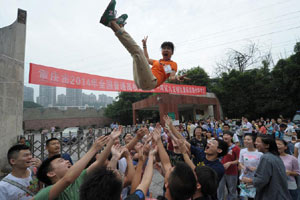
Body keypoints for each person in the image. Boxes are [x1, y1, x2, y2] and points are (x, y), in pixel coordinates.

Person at [99, 0, 188, 90]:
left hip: (151, 82)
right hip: (141, 80)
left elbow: (171, 76)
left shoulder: (171, 64)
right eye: (164, 48)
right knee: (137, 55)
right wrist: (145, 46)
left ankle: (112, 22)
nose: (165, 50)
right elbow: (145, 60)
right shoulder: (157, 62)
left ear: (172, 52)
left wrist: (176, 78)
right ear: (161, 51)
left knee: (137, 52)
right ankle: (119, 26)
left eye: (168, 48)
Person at [33, 127, 122, 200]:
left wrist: (111, 140)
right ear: (51, 173)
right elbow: (67, 180)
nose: (67, 161)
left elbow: (99, 162)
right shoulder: (46, 193)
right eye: (61, 161)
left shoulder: (77, 180)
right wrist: (93, 149)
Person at [242, 134, 292, 200]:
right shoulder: (275, 156)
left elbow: (262, 180)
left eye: (258, 141)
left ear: (267, 145)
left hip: (271, 195)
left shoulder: (266, 157)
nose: (255, 143)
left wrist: (249, 180)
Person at [217, 131, 240, 200]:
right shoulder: (220, 147)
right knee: (219, 189)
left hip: (232, 172)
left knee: (232, 190)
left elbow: (239, 160)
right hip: (220, 171)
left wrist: (230, 163)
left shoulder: (236, 148)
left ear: (231, 137)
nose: (225, 136)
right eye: (224, 135)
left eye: (227, 135)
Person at [238, 133, 263, 199]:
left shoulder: (260, 153)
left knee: (256, 195)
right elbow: (240, 162)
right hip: (245, 178)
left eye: (248, 139)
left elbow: (263, 167)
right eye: (245, 139)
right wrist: (244, 168)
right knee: (247, 195)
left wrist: (255, 169)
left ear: (254, 141)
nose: (246, 141)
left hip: (255, 178)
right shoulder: (242, 151)